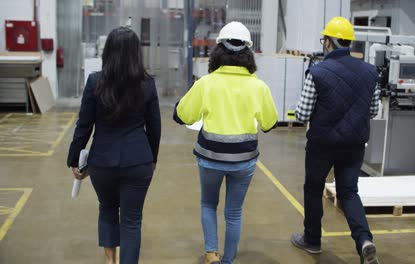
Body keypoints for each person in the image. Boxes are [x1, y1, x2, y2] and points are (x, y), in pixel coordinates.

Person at [173, 21, 278, 264]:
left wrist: (180, 107)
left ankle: (212, 254)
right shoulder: (258, 87)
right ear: (248, 53)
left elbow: (183, 116)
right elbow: (269, 123)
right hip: (244, 161)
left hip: (210, 159)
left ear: (218, 50)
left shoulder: (206, 83)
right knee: (234, 213)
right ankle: (228, 260)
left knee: (208, 204)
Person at [67, 27, 161, 264]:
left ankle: (110, 261)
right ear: (136, 54)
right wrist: (152, 158)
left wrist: (73, 159)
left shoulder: (95, 82)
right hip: (138, 160)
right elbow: (155, 127)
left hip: (102, 162)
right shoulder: (147, 84)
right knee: (131, 221)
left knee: (107, 209)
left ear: (107, 52)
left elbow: (84, 125)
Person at [290, 17, 381, 264]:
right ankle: (364, 240)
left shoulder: (318, 72)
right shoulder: (370, 72)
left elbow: (302, 113)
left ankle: (312, 240)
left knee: (313, 188)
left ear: (329, 42)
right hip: (354, 144)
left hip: (322, 144)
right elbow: (374, 110)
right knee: (349, 192)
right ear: (348, 43)